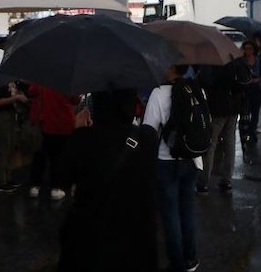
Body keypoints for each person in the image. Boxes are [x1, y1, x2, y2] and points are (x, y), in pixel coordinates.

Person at [57, 88, 157, 272]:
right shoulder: (147, 137)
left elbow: (62, 177)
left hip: (91, 240)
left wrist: (75, 129)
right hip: (136, 240)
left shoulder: (83, 138)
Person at [143, 65, 203, 272]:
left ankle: (177, 263)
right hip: (193, 160)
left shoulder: (158, 93)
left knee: (170, 215)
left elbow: (148, 131)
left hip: (166, 161)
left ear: (170, 68)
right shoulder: (197, 89)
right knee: (187, 210)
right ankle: (191, 259)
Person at [196, 58, 250, 195]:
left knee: (211, 144)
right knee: (229, 143)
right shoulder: (235, 60)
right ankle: (227, 180)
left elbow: (206, 81)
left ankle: (204, 182)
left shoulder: (211, 62)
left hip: (217, 108)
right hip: (234, 107)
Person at [26, 83, 78, 200]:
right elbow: (76, 100)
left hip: (45, 124)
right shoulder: (67, 80)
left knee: (40, 156)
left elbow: (31, 92)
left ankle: (35, 186)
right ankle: (56, 187)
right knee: (59, 158)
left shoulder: (43, 78)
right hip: (64, 124)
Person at [0, 80, 29, 194]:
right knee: (2, 148)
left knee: (10, 146)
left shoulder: (14, 83)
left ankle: (8, 177)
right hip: (2, 117)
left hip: (12, 116)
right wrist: (16, 98)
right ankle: (1, 181)